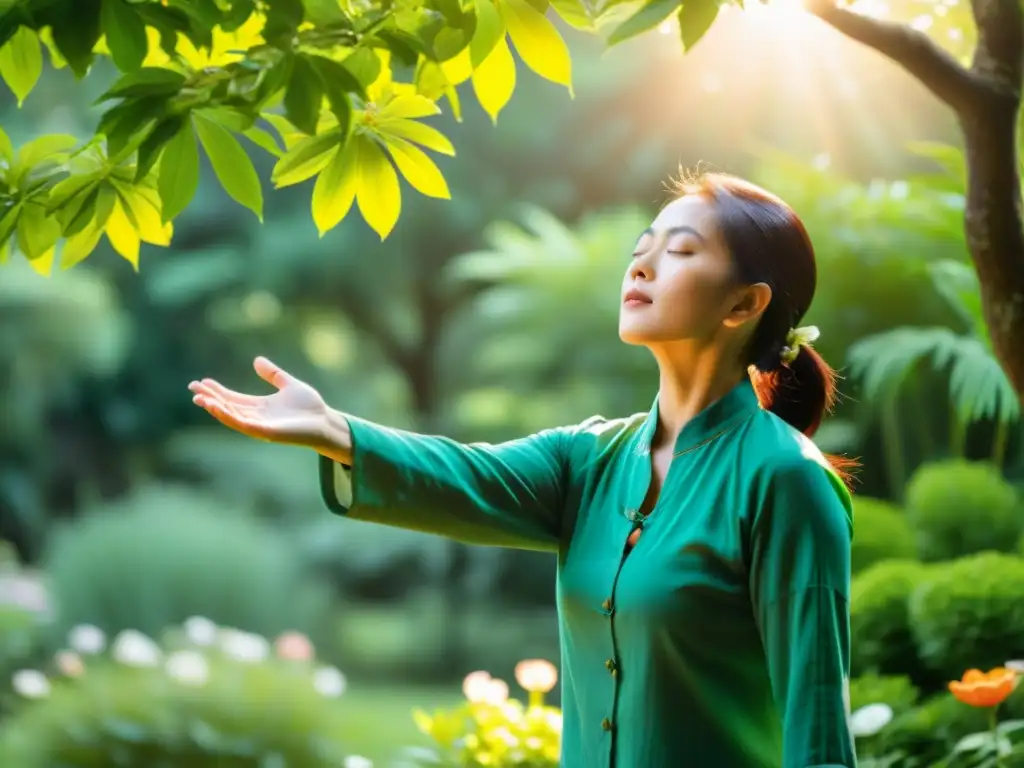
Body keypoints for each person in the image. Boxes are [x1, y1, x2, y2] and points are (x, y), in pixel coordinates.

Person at [189, 171, 857, 768]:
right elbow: (465, 476)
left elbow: (818, 726)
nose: (643, 266)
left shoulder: (785, 480)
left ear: (744, 305)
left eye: (680, 251)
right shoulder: (590, 460)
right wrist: (330, 428)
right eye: (642, 248)